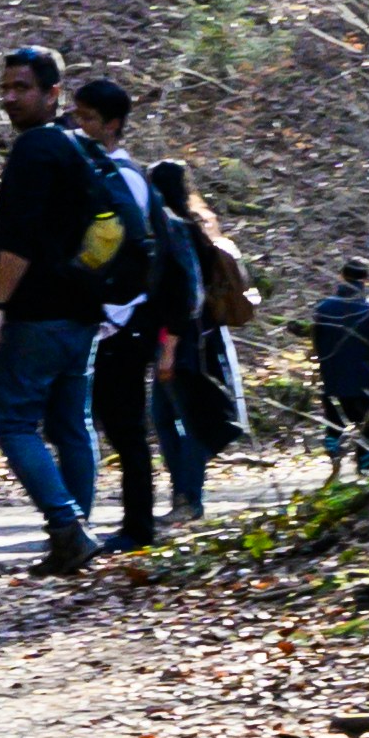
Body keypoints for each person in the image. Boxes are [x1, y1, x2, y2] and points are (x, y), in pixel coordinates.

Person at [0, 43, 124, 575]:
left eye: (23, 88)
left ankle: (66, 526)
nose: (9, 98)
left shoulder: (35, 150)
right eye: (5, 88)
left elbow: (18, 238)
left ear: (53, 93)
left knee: (11, 420)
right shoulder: (78, 147)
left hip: (34, 313)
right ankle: (76, 539)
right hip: (81, 310)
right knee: (72, 424)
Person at [67, 77, 194, 552]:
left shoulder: (119, 177)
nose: (79, 126)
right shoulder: (108, 172)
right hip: (118, 318)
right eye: (77, 116)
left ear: (114, 125)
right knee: (113, 422)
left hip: (123, 319)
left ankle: (137, 525)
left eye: (89, 119)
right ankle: (122, 521)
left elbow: (124, 251)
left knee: (123, 425)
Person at [149, 158, 252, 519]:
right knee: (165, 418)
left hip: (183, 342)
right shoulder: (196, 227)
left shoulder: (176, 231)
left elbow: (185, 297)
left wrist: (169, 348)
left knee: (188, 422)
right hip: (197, 338)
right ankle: (183, 496)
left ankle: (188, 499)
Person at [305, 259, 369, 472]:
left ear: (341, 277)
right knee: (366, 426)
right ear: (366, 279)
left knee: (334, 419)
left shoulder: (323, 308)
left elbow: (317, 343)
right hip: (363, 377)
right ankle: (363, 468)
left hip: (332, 377)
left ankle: (332, 444)